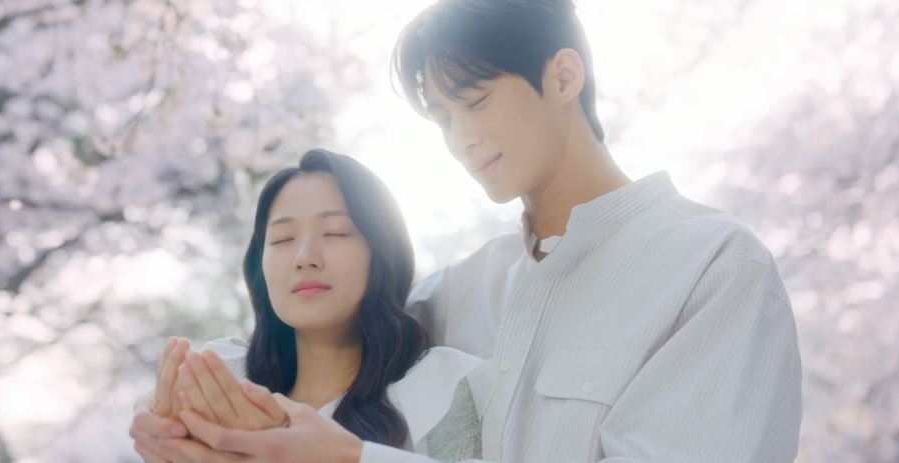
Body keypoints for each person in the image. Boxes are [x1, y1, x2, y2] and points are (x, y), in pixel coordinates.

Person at [131, 0, 803, 461]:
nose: (461, 138)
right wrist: (190, 398)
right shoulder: (460, 291)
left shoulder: (712, 267)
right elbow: (318, 342)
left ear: (563, 75)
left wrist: (355, 459)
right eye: (443, 118)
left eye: (475, 102)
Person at [130, 149, 487, 462]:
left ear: (383, 253)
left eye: (335, 232)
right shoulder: (228, 381)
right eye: (282, 239)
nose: (304, 257)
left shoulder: (434, 389)